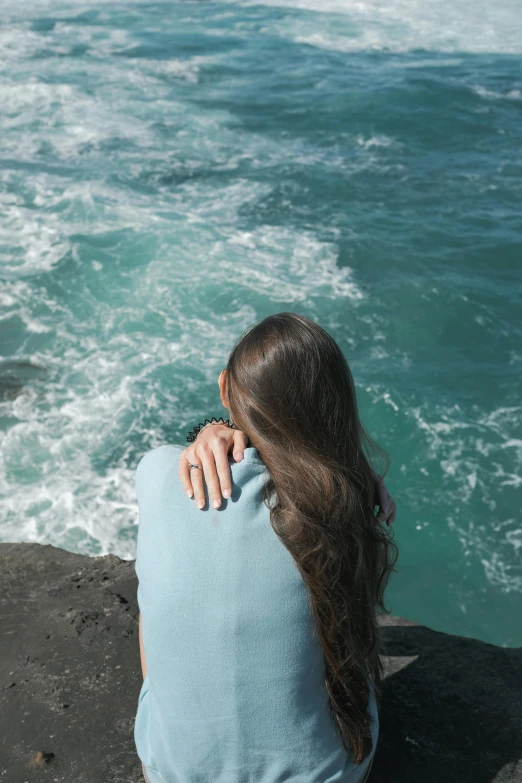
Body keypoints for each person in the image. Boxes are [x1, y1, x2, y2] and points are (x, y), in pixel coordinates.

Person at [134, 312, 398, 783]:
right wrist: (353, 477)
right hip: (322, 776)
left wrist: (210, 428)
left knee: (154, 595)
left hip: (171, 771)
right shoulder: (344, 508)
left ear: (224, 389)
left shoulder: (156, 473)